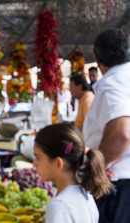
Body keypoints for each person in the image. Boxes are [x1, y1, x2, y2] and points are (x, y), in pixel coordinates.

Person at [83, 29, 130, 223]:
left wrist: (97, 167)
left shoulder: (113, 84)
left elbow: (122, 133)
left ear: (97, 59)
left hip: (118, 188)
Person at [34, 123, 112, 223]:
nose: (34, 164)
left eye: (38, 158)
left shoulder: (59, 206)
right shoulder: (86, 195)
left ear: (58, 163)